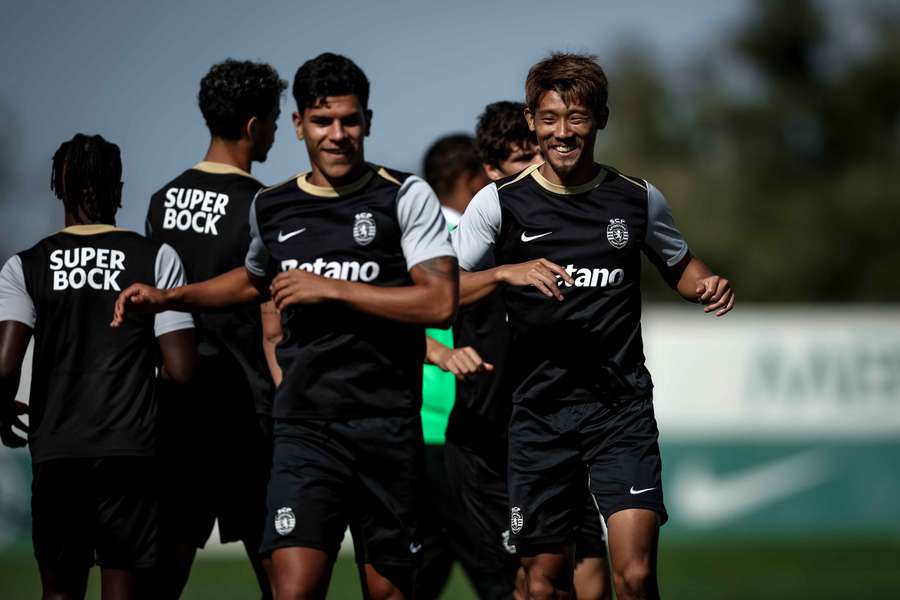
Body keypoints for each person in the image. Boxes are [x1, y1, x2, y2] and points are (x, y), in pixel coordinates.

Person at [111, 52, 457, 600]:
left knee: (390, 593)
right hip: (304, 428)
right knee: (291, 591)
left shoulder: (403, 195)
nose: (337, 134)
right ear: (298, 125)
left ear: (369, 120)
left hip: (386, 426)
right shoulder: (273, 205)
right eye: (322, 121)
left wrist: (332, 288)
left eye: (350, 120)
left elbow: (439, 302)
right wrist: (169, 295)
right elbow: (250, 282)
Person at [451, 53, 735, 600]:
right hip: (537, 413)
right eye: (551, 118)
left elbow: (679, 264)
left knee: (634, 575)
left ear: (600, 119)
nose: (563, 132)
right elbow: (444, 290)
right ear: (532, 121)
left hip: (619, 409)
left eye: (577, 117)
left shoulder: (636, 198)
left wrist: (706, 284)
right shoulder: (498, 205)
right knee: (542, 582)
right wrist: (509, 271)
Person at [0, 134, 196, 599]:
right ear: (120, 190)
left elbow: (4, 366)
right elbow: (183, 370)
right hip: (129, 453)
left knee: (60, 591)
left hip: (58, 452)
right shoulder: (155, 258)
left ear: (59, 188)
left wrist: (4, 408)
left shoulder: (24, 266)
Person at [144, 59, 286, 599]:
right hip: (246, 409)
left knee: (166, 566)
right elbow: (272, 308)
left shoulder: (163, 199)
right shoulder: (266, 204)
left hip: (178, 405)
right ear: (254, 126)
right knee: (277, 568)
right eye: (273, 119)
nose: (275, 131)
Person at [415, 134, 499, 599]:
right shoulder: (475, 248)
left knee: (417, 575)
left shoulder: (412, 247)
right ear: (471, 180)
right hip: (463, 427)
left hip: (414, 430)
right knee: (502, 575)